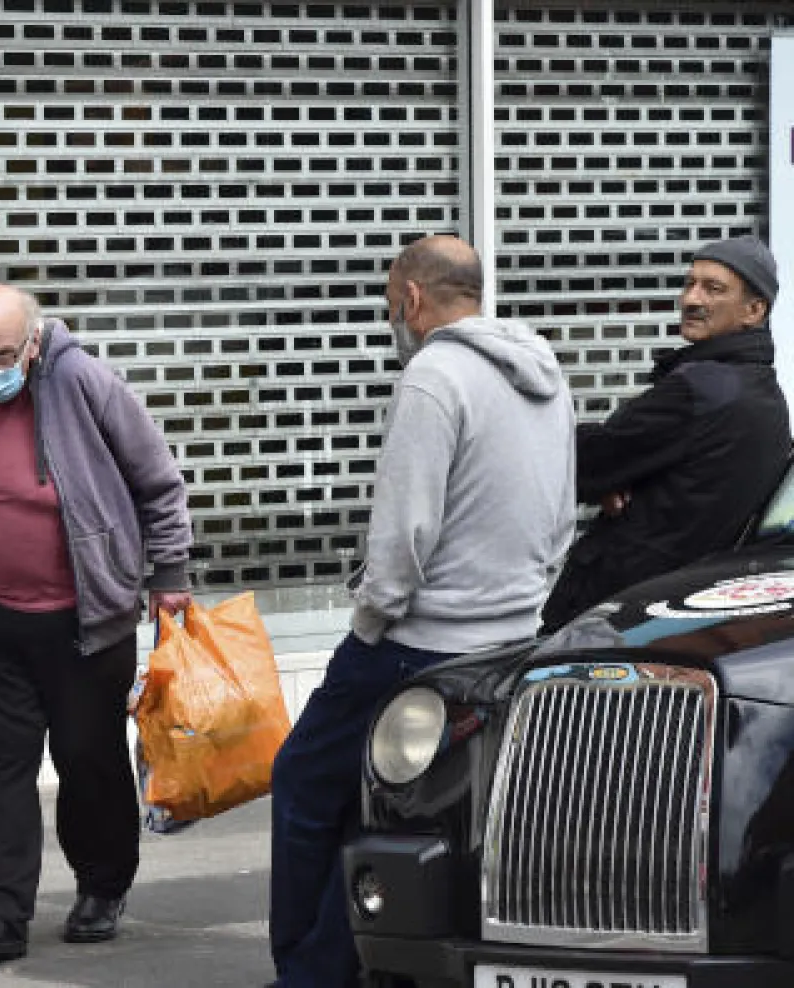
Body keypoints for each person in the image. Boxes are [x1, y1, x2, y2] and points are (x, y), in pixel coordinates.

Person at [267, 236, 576, 987]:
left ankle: (306, 975)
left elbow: (403, 530)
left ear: (412, 299)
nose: (389, 317)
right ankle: (342, 962)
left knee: (304, 782)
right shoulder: (544, 369)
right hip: (509, 639)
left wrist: (372, 617)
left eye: (387, 303)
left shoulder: (433, 377)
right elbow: (563, 515)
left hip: (416, 643)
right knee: (405, 810)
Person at [0, 284, 193, 961]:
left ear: (33, 341)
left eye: (1, 355)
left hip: (84, 615)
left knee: (87, 758)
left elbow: (157, 479)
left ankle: (102, 886)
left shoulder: (80, 378)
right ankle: (0, 915)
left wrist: (169, 575)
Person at [542, 236, 789, 632]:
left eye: (713, 288)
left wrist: (608, 474)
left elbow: (583, 461)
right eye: (689, 283)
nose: (692, 299)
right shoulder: (764, 391)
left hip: (618, 616)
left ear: (754, 310)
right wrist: (616, 476)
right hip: (682, 615)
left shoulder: (699, 389)